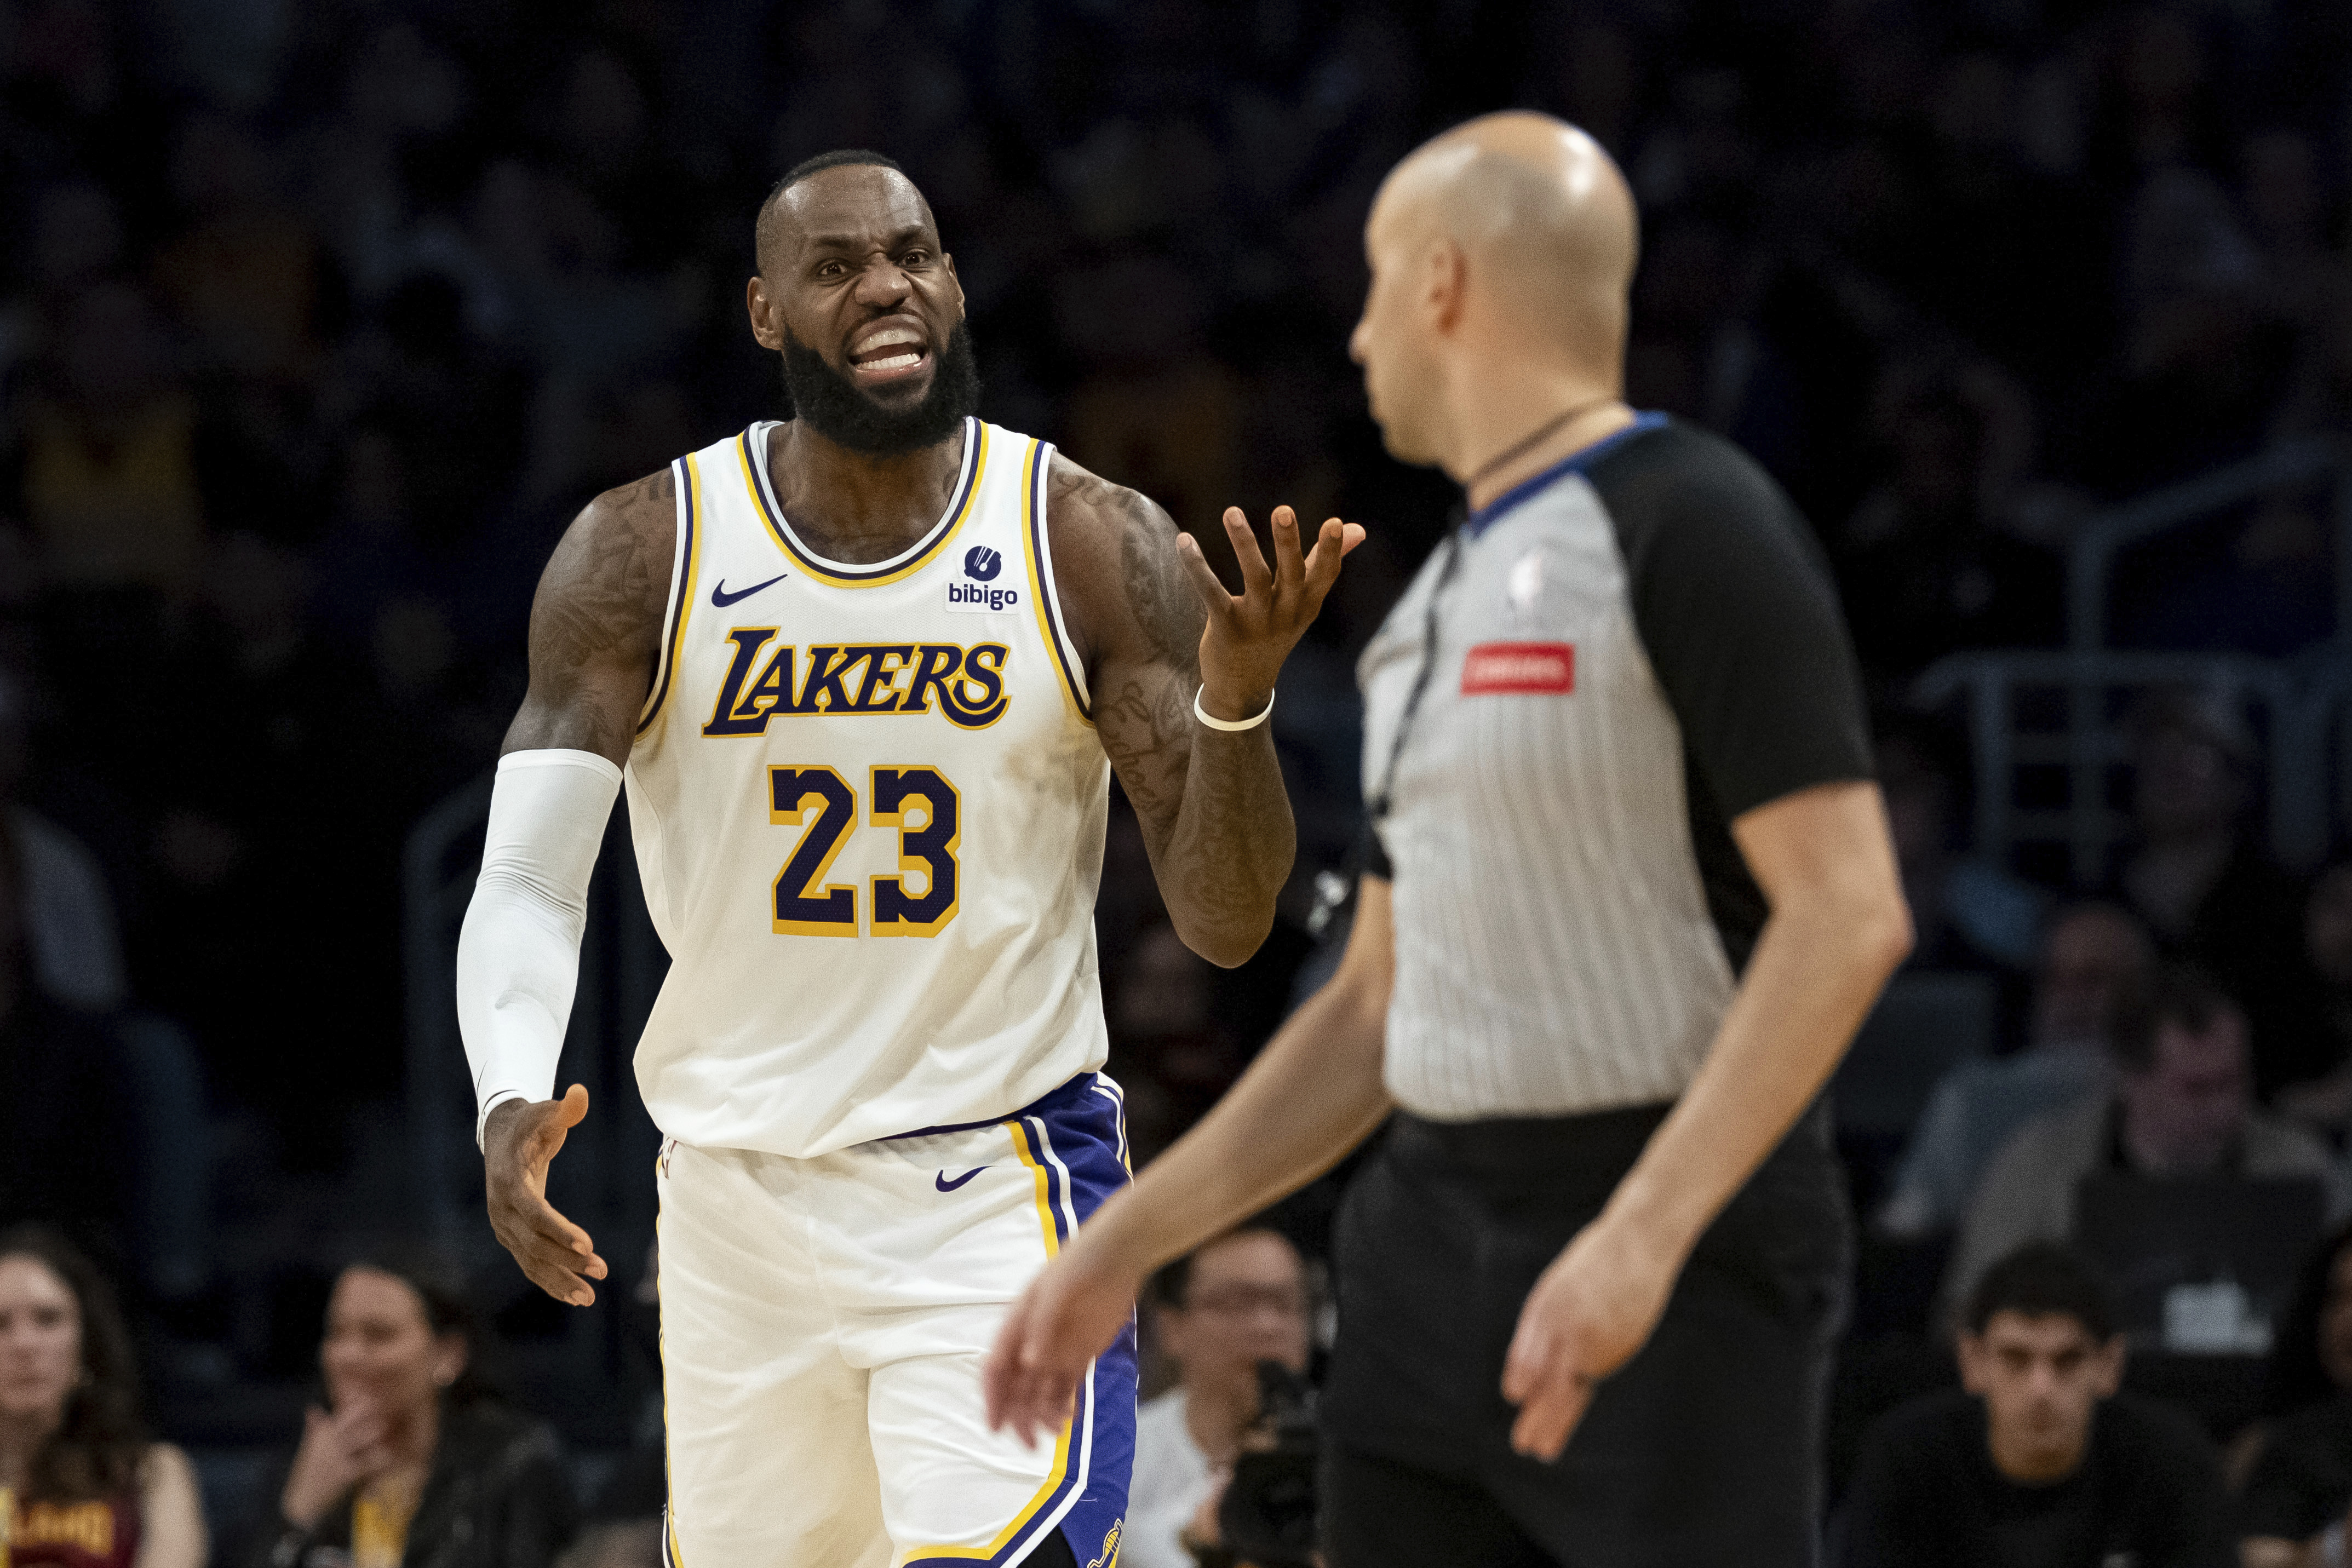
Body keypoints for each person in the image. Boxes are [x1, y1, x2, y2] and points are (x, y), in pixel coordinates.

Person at [986, 112, 1912, 1567]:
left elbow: (1848, 914)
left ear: (1438, 284)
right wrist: (1126, 1236)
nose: (1354, 339)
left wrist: (1643, 1230)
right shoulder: (1429, 602)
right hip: (1420, 1236)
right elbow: (1367, 1001)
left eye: (1368, 287)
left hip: (1658, 1220)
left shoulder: (1694, 523)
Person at [455, 148, 1360, 1568]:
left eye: (914, 252)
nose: (885, 284)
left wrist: (1233, 701)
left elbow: (1227, 920)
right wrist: (507, 1094)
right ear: (763, 314)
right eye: (834, 265)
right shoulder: (643, 551)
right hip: (731, 1197)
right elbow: (523, 878)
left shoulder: (1082, 540)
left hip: (990, 1184)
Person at [1943, 967, 2343, 1317]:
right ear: (2132, 1080)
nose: (2225, 1107)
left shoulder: (2298, 1161)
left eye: (2233, 1080)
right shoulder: (2041, 1164)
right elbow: (1968, 1309)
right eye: (2197, 1089)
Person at [1840, 1241, 2231, 1568]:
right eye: (2015, 1358)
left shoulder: (2172, 1459)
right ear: (1973, 1361)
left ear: (2109, 1364)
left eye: (2068, 1359)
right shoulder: (1906, 1457)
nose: (2041, 1387)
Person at [239, 1251, 576, 1568]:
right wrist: (297, 1516)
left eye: (379, 1336)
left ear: (448, 1356)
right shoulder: (301, 1468)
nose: (348, 1356)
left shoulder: (511, 1464)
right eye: (337, 1333)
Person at [1879, 903, 2155, 1238]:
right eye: (2054, 979)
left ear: (2141, 992)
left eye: (2093, 980)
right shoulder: (1975, 1096)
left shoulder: (2171, 1094)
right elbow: (1906, 1226)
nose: (2069, 999)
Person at [0, 1225, 206, 1568]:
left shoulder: (155, 1473)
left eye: (48, 1319)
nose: (24, 1345)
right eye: (0, 1323)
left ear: (88, 1347)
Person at [1126, 1230, 1312, 1568]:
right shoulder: (1124, 1455)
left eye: (1286, 1304)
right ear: (1172, 1328)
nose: (1269, 1326)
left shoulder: (1350, 1457)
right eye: (1237, 1303)